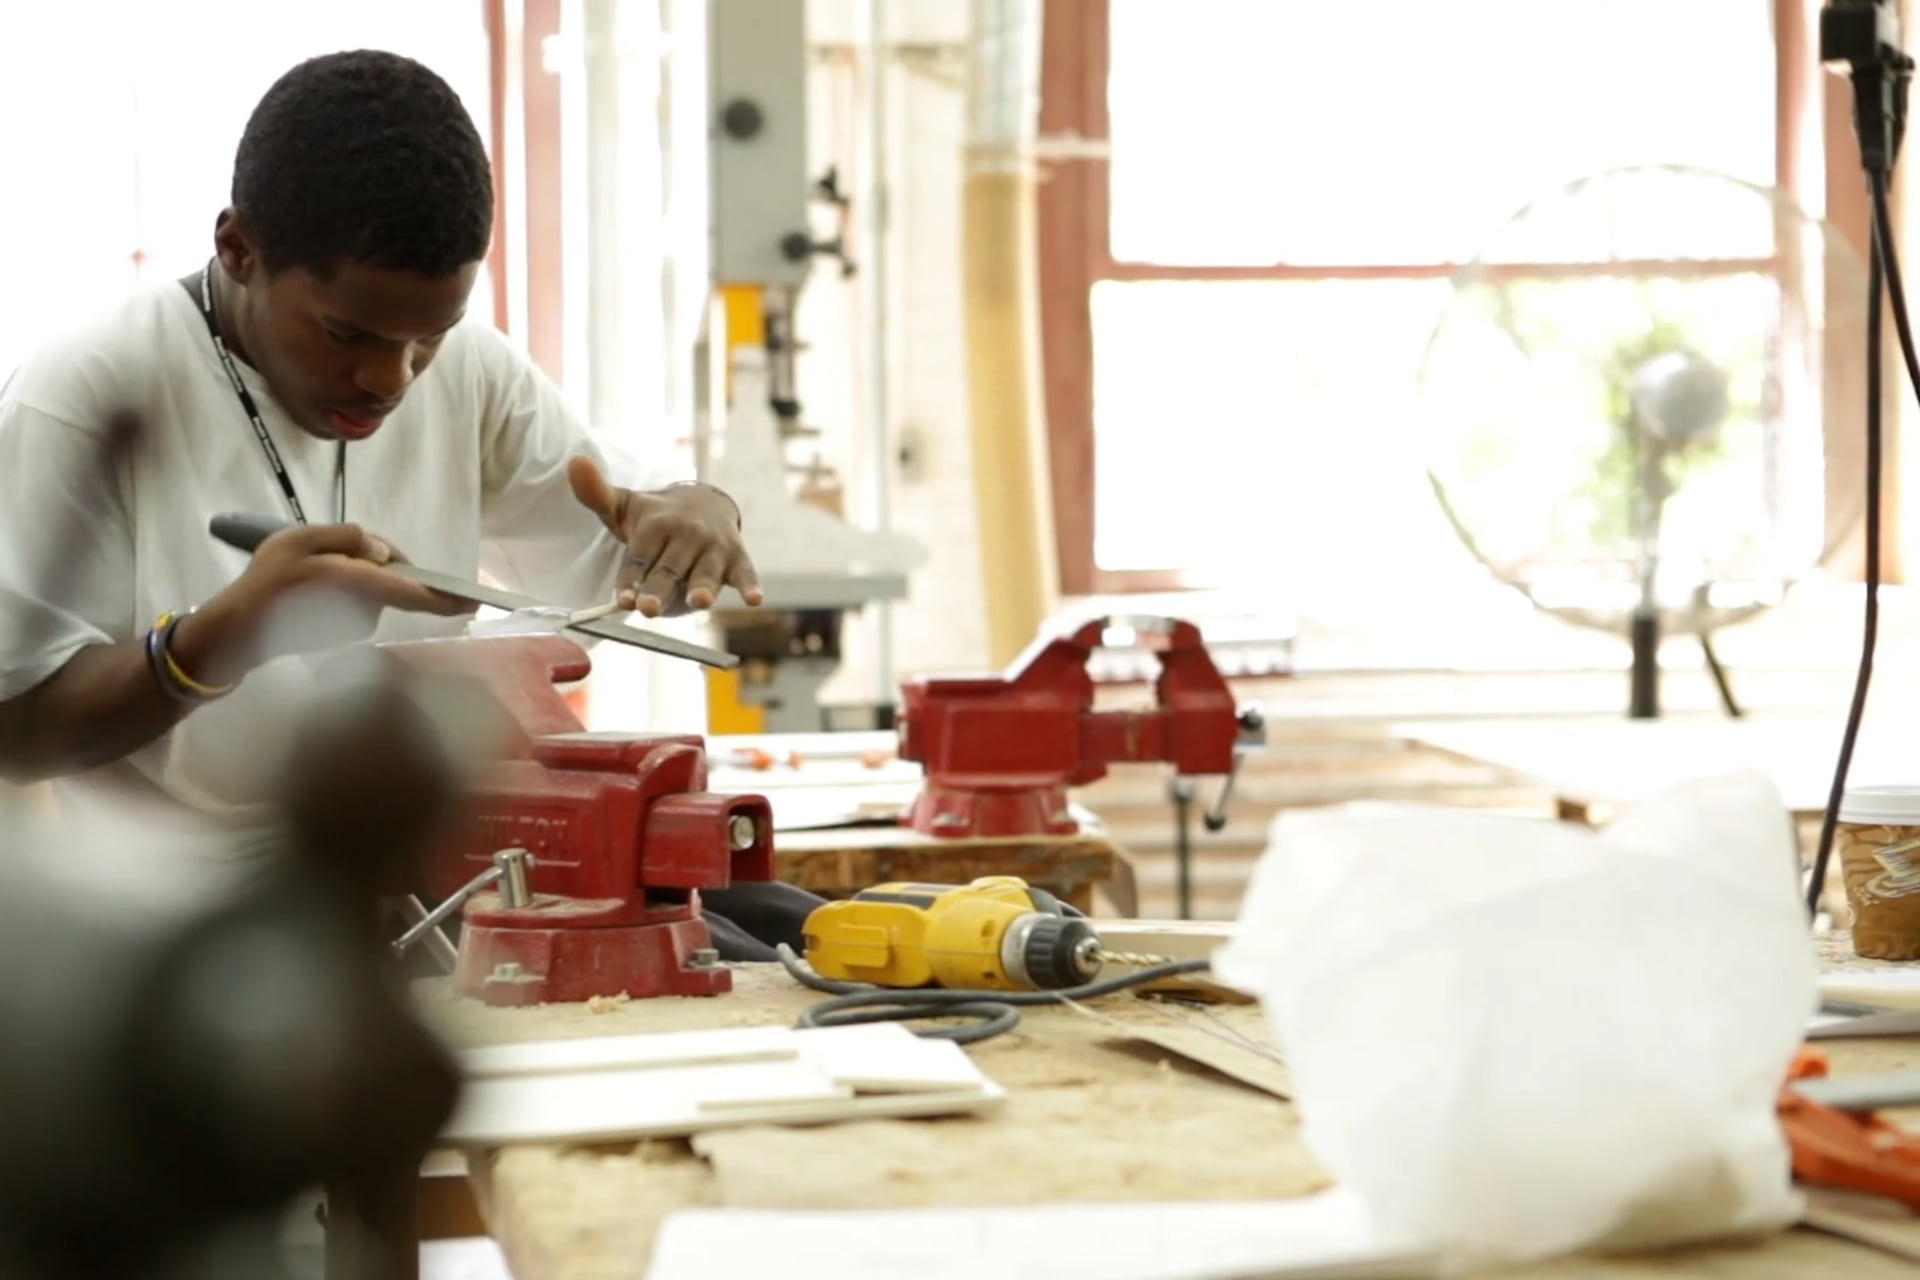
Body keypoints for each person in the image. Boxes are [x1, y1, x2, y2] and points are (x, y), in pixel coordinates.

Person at [0, 50, 782, 917]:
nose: (392, 378)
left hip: (434, 878)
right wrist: (217, 642)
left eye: (429, 337)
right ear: (238, 248)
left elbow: (615, 571)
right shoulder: (87, 393)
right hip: (182, 921)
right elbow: (14, 733)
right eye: (347, 335)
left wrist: (695, 517)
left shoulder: (471, 372)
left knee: (780, 927)